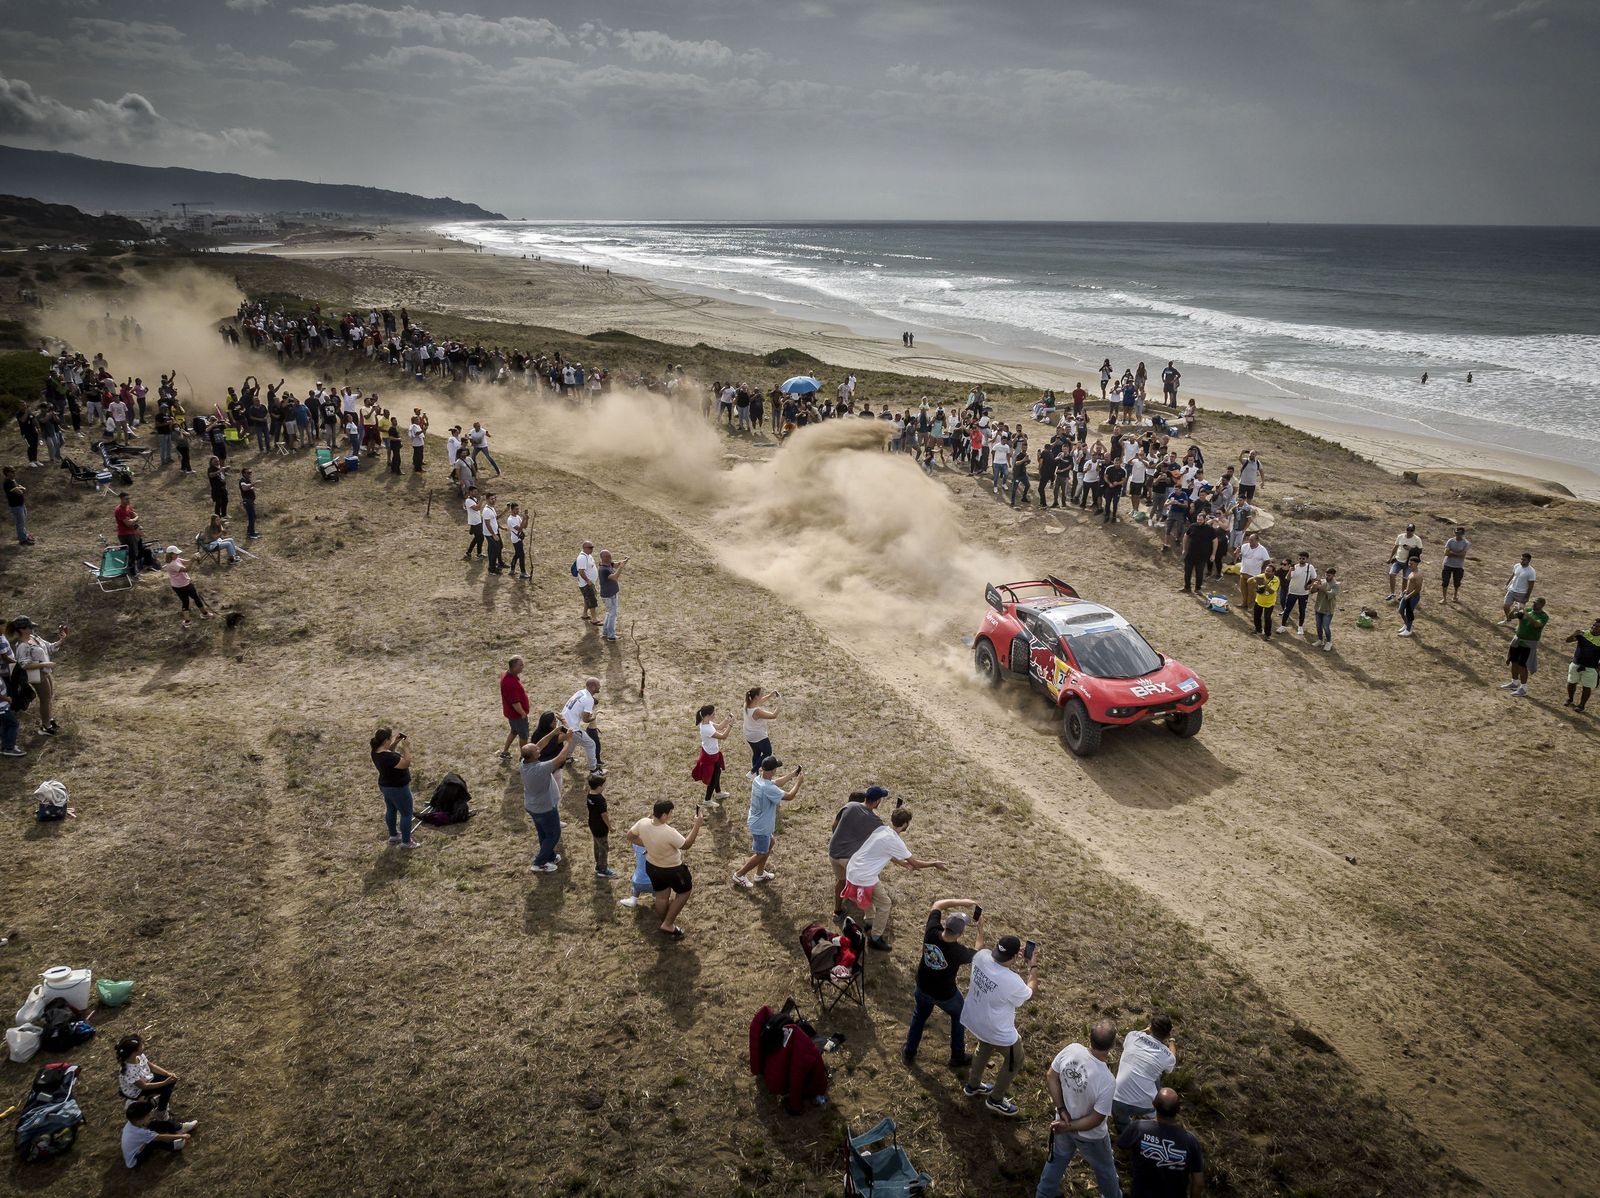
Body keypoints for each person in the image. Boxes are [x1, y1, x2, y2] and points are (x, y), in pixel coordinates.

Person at [843, 805, 948, 951]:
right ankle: (875, 938)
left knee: (870, 897)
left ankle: (869, 921)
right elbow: (916, 863)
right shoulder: (895, 841)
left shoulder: (881, 830)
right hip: (865, 876)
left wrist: (902, 864)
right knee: (885, 904)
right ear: (905, 824)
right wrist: (934, 864)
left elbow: (886, 851)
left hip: (853, 868)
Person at [1035, 1020, 1121, 1196]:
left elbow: (1051, 1076)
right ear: (1112, 1045)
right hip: (1090, 1136)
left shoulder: (1072, 1048)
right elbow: (1097, 1118)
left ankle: (1044, 1194)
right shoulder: (1107, 1080)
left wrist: (1062, 1110)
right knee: (1105, 1170)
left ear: (1089, 1037)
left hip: (1061, 1123)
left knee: (1056, 1160)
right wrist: (1070, 1126)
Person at [961, 935, 1037, 1118]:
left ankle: (973, 1085)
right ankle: (995, 1099)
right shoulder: (1012, 981)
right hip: (998, 1030)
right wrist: (1032, 966)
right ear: (1014, 957)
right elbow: (1030, 992)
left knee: (984, 1047)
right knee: (1016, 1059)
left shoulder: (981, 956)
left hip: (976, 1019)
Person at [902, 898, 980, 1069]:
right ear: (961, 934)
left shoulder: (931, 931)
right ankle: (957, 1056)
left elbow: (937, 904)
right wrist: (981, 930)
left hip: (923, 986)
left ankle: (909, 1052)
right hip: (945, 995)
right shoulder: (959, 952)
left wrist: (962, 901)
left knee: (919, 1016)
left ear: (944, 925)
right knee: (960, 1016)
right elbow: (979, 953)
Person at [627, 798, 704, 939]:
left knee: (662, 896)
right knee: (684, 892)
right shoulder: (669, 831)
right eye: (670, 813)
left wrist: (648, 845)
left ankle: (665, 921)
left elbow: (630, 836)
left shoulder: (643, 822)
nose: (671, 815)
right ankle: (668, 923)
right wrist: (697, 825)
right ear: (663, 815)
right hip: (673, 869)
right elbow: (686, 845)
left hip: (652, 867)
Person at [1117, 1088, 1205, 1198]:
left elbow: (1121, 1145)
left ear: (1153, 1104)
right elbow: (1198, 1183)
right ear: (1179, 1109)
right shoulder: (1191, 1141)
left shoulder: (1138, 1127)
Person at [733, 757, 804, 890]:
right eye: (776, 767)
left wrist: (792, 775)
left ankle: (759, 874)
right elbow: (789, 796)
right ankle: (739, 875)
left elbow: (776, 783)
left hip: (757, 821)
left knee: (770, 843)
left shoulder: (758, 780)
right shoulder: (768, 788)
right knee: (760, 853)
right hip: (761, 826)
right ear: (772, 770)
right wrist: (798, 783)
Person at [522, 714, 574, 871]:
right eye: (537, 751)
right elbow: (560, 758)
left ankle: (550, 856)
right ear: (533, 756)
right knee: (553, 834)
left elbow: (538, 745)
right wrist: (569, 742)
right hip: (544, 807)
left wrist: (553, 733)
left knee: (543, 834)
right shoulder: (540, 768)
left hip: (531, 806)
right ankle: (540, 863)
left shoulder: (523, 762)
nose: (539, 750)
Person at [828, 787, 887, 918]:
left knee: (841, 880)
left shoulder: (850, 805)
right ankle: (868, 917)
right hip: (849, 859)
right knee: (865, 884)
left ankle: (837, 911)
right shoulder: (875, 821)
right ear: (877, 801)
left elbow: (834, 826)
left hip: (833, 852)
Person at [1112, 1016, 1177, 1126]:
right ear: (1167, 1035)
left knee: (1122, 1124)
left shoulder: (1132, 1036)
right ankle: (1154, 1120)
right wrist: (1171, 1041)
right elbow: (1173, 1058)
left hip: (1117, 1098)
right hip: (1145, 1104)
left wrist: (1147, 1030)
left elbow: (1137, 1033)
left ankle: (1126, 1133)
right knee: (1156, 1073)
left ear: (1150, 1027)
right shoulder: (1167, 1055)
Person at [370, 727, 417, 849]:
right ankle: (406, 842)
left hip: (385, 786)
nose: (391, 740)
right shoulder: (390, 758)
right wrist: (406, 747)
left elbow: (388, 751)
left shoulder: (375, 751)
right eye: (390, 739)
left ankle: (394, 835)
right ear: (386, 740)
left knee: (391, 809)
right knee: (406, 814)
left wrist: (396, 742)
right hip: (398, 788)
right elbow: (406, 763)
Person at [117, 1034, 182, 1113]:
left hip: (146, 1078)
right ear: (134, 1052)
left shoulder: (139, 1056)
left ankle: (159, 1100)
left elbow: (152, 1066)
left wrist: (167, 1074)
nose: (144, 1046)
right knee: (167, 1089)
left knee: (172, 1081)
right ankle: (161, 1112)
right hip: (137, 1090)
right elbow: (144, 1086)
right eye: (141, 1046)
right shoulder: (129, 1071)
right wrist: (165, 1082)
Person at [121, 1100, 196, 1168]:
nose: (150, 1116)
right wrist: (182, 1136)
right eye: (147, 1116)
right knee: (154, 1142)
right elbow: (161, 1137)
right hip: (135, 1159)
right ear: (139, 1120)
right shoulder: (140, 1133)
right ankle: (174, 1146)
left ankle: (180, 1128)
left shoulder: (132, 1122)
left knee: (154, 1124)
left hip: (138, 1147)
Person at [1502, 597, 1548, 698]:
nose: (1534, 604)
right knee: (1513, 661)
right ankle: (1514, 682)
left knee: (1522, 666)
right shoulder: (1528, 610)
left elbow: (1536, 625)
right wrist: (1515, 609)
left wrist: (1525, 614)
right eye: (1534, 602)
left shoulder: (1543, 616)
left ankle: (1523, 688)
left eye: (1536, 603)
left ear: (1542, 605)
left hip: (1528, 644)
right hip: (1517, 640)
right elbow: (1510, 617)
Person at [691, 702, 731, 807]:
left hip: (713, 753)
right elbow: (723, 736)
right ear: (707, 715)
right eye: (713, 714)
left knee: (717, 772)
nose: (715, 715)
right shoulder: (706, 728)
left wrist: (727, 720)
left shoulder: (707, 722)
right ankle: (707, 800)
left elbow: (720, 726)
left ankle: (718, 793)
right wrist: (731, 725)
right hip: (710, 756)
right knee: (713, 778)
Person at [562, 676, 604, 772]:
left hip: (563, 721)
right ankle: (594, 770)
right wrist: (594, 715)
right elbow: (585, 719)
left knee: (574, 740)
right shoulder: (589, 699)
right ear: (593, 687)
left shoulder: (580, 692)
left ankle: (567, 758)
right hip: (571, 726)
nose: (600, 686)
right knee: (590, 744)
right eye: (598, 685)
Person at [160, 549, 210, 627]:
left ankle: (187, 621)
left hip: (176, 586)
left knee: (185, 601)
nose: (178, 555)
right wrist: (193, 560)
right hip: (184, 585)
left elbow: (187, 562)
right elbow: (186, 570)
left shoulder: (176, 559)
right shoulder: (172, 564)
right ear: (171, 554)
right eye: (176, 553)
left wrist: (193, 558)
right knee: (196, 598)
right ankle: (205, 614)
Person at [742, 686, 781, 778]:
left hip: (748, 734)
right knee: (767, 752)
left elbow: (760, 701)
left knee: (756, 753)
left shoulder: (747, 704)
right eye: (761, 694)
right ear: (756, 696)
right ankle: (752, 772)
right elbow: (773, 715)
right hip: (758, 736)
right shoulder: (757, 711)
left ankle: (755, 774)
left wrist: (769, 696)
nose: (763, 695)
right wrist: (779, 703)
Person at [1563, 618, 1600, 713]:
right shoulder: (1582, 633)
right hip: (1576, 664)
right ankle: (1570, 699)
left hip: (1590, 668)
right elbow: (1567, 640)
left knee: (1586, 687)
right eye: (1594, 625)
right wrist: (1574, 634)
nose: (1594, 627)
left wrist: (1598, 669)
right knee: (1571, 683)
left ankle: (1581, 705)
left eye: (1597, 626)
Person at [586, 771, 617, 879]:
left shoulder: (589, 795)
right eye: (604, 785)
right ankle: (602, 869)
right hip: (600, 828)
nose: (605, 786)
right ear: (599, 786)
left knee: (597, 846)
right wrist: (610, 827)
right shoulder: (600, 800)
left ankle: (598, 864)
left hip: (592, 825)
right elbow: (604, 815)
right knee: (603, 849)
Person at [498, 656, 530, 761]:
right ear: (513, 667)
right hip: (517, 715)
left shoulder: (507, 675)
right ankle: (524, 758)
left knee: (514, 731)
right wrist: (523, 714)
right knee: (523, 736)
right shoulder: (510, 682)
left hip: (511, 715)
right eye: (520, 665)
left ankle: (505, 752)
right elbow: (515, 703)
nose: (523, 667)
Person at [1281, 552, 1317, 636]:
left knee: (1302, 610)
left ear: (1307, 559)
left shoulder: (1310, 567)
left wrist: (1310, 586)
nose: (1301, 560)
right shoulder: (1294, 567)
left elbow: (1314, 578)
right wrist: (1290, 570)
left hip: (1303, 593)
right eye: (1300, 558)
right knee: (1287, 609)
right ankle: (1282, 626)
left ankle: (1300, 627)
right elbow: (1287, 578)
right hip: (1292, 591)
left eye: (1303, 558)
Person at [1385, 524, 1422, 601]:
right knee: (1392, 574)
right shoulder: (1400, 536)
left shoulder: (1417, 539)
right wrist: (1390, 558)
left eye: (1411, 530)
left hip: (1408, 563)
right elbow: (1395, 547)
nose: (1409, 532)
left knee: (1405, 579)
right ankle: (1392, 594)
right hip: (1398, 560)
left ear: (1414, 531)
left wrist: (1410, 549)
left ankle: (1402, 594)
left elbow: (1420, 550)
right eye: (1408, 529)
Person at [114, 491, 145, 581]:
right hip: (125, 535)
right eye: (126, 499)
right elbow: (128, 523)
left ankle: (133, 573)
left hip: (131, 533)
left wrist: (134, 519)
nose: (128, 500)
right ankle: (132, 575)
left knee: (134, 554)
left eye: (129, 498)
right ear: (121, 499)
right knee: (131, 555)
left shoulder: (128, 507)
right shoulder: (119, 510)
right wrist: (135, 518)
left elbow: (134, 516)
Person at [598, 549, 627, 641]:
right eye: (609, 556)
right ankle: (611, 635)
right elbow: (615, 577)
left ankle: (605, 632)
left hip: (611, 594)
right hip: (609, 596)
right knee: (612, 615)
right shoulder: (603, 570)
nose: (611, 558)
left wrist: (625, 561)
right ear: (604, 558)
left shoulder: (608, 564)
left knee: (609, 613)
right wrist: (621, 568)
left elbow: (617, 564)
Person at [1499, 552, 1537, 622]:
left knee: (1520, 611)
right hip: (1511, 590)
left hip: (1522, 593)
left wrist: (1527, 597)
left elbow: (1531, 586)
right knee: (1505, 606)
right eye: (1521, 559)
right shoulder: (1517, 566)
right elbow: (1513, 575)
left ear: (1529, 561)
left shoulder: (1531, 572)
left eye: (1524, 560)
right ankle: (1508, 620)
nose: (1521, 561)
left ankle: (1519, 623)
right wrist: (1506, 585)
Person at [1310, 566, 1340, 651]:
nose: (1327, 577)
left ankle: (1329, 642)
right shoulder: (1322, 581)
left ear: (1333, 576)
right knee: (1318, 625)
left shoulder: (1336, 585)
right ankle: (1320, 640)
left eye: (1329, 575)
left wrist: (1321, 588)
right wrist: (1314, 586)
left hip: (1328, 609)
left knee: (1326, 626)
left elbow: (1330, 595)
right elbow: (1312, 592)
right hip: (1319, 607)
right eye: (1326, 575)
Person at [1440, 526, 1472, 604]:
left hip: (1458, 566)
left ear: (1463, 534)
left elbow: (1463, 555)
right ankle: (1444, 598)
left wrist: (1452, 552)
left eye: (1459, 533)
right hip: (1447, 564)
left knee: (1457, 582)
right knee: (1445, 581)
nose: (1457, 535)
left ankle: (1455, 595)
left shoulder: (1466, 543)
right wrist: (1457, 553)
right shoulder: (1450, 541)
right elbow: (1446, 553)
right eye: (1456, 533)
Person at [3, 466, 31, 545]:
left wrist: (19, 488)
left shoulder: (12, 481)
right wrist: (19, 488)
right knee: (20, 523)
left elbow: (23, 488)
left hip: (20, 504)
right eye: (12, 472)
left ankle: (24, 536)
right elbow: (20, 492)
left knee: (23, 521)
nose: (14, 473)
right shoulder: (8, 483)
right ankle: (22, 540)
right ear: (7, 473)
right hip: (16, 506)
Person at [575, 540, 601, 625]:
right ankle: (594, 619)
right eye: (590, 548)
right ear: (584, 548)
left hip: (590, 583)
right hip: (586, 584)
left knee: (587, 599)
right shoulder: (582, 557)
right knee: (592, 600)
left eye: (592, 547)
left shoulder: (588, 556)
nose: (592, 549)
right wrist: (587, 580)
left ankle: (585, 614)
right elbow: (581, 571)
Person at [1251, 563, 1279, 640]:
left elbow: (1271, 592)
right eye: (1266, 570)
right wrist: (1254, 583)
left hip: (1269, 603)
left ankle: (1267, 634)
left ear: (1273, 572)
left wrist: (1265, 584)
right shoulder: (1261, 576)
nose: (1267, 572)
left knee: (1267, 618)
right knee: (1256, 616)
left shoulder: (1276, 580)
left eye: (1269, 571)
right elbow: (1250, 580)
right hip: (1259, 600)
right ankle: (1258, 629)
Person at [1397, 552, 1423, 637]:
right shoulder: (1411, 572)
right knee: (1400, 610)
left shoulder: (1418, 575)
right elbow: (1410, 585)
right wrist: (1404, 591)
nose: (1409, 565)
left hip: (1413, 596)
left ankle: (1409, 630)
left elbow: (1418, 589)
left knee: (1408, 613)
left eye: (1411, 564)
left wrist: (1409, 595)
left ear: (1416, 564)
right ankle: (1407, 624)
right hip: (1407, 594)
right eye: (1409, 563)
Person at [504, 502, 528, 579]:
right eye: (516, 509)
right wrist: (524, 518)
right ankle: (523, 572)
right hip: (516, 539)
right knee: (521, 555)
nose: (517, 510)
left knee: (517, 554)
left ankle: (512, 569)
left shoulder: (517, 517)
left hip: (519, 538)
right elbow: (520, 528)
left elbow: (525, 526)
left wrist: (526, 519)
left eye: (518, 509)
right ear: (512, 509)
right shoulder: (510, 519)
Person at [482, 492, 503, 575]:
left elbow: (495, 519)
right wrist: (493, 535)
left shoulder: (491, 508)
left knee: (499, 546)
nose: (493, 500)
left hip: (495, 532)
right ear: (487, 500)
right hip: (490, 534)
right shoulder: (486, 510)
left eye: (494, 498)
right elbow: (487, 523)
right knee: (493, 551)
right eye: (491, 499)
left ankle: (497, 564)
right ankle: (492, 569)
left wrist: (505, 511)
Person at [239, 468, 260, 539]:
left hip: (250, 501)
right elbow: (244, 488)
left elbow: (248, 488)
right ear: (244, 473)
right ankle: (251, 534)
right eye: (248, 473)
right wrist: (254, 484)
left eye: (250, 472)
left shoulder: (247, 480)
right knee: (252, 517)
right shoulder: (242, 480)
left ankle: (250, 531)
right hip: (247, 501)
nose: (250, 474)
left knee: (253, 516)